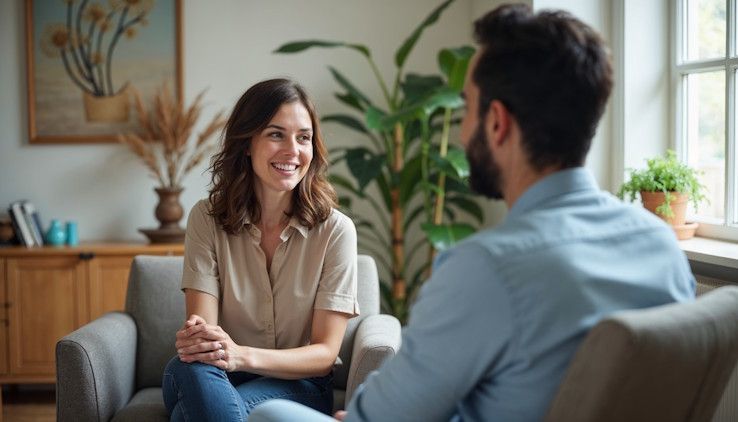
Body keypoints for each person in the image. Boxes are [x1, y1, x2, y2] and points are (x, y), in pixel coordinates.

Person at [249, 4, 696, 422]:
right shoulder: (661, 246)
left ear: (497, 123)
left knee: (268, 415)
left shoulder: (487, 267)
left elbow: (385, 415)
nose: (461, 131)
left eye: (466, 108)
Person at [161, 78, 360, 421]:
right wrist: (226, 357)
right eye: (275, 134)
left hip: (300, 384)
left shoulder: (336, 231)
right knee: (186, 366)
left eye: (304, 137)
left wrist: (242, 355)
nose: (292, 151)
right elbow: (202, 338)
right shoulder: (206, 219)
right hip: (216, 374)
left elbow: (325, 353)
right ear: (247, 143)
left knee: (186, 413)